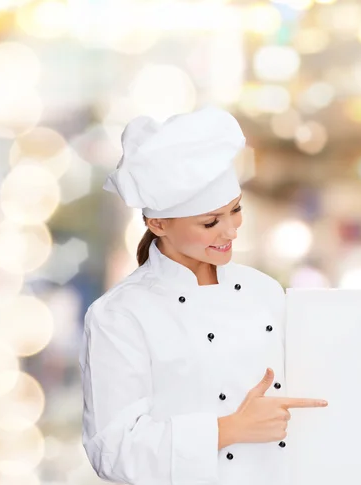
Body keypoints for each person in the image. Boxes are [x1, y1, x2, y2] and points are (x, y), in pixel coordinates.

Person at [78, 105, 328, 485]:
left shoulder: (264, 291)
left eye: (235, 210)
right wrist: (229, 428)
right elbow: (114, 452)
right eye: (210, 222)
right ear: (157, 223)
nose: (230, 231)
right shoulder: (120, 315)